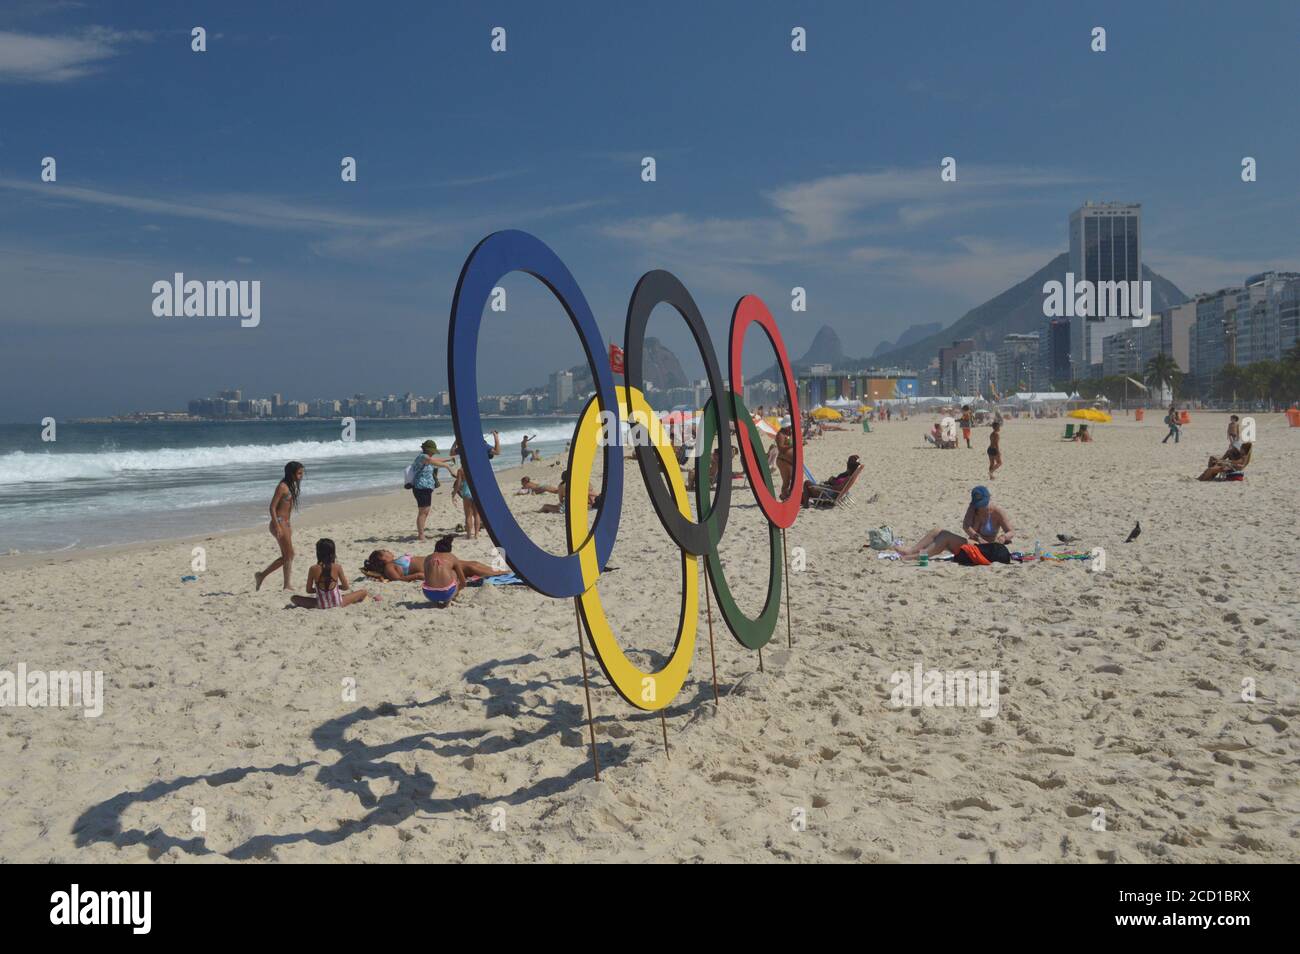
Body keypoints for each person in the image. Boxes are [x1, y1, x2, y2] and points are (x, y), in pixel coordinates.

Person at [891, 485, 1014, 560]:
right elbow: (966, 526)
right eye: (978, 505)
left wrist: (1003, 537)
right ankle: (911, 550)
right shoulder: (973, 508)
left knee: (945, 536)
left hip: (987, 548)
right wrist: (977, 536)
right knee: (937, 531)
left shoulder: (997, 512)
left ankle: (918, 557)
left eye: (982, 504)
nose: (980, 507)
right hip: (974, 543)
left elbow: (1011, 531)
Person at [421, 534, 509, 606]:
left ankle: (439, 599)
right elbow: (463, 583)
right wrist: (456, 591)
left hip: (428, 594)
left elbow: (426, 578)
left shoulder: (428, 558)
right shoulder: (452, 557)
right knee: (453, 573)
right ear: (449, 550)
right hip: (446, 593)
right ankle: (448, 601)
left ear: (435, 549)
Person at [256, 461, 303, 591]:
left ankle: (263, 576)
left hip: (285, 523)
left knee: (288, 555)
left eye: (302, 473)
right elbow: (272, 507)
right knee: (290, 554)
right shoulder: (282, 487)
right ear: (291, 473)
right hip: (279, 522)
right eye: (299, 473)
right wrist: (277, 526)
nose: (301, 476)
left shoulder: (290, 485)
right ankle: (285, 584)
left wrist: (288, 525)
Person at [290, 538, 368, 608]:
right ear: (333, 553)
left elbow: (309, 590)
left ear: (318, 553)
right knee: (363, 592)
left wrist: (321, 590)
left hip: (321, 604)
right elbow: (345, 587)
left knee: (294, 598)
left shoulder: (313, 568)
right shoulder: (337, 567)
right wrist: (335, 588)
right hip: (338, 603)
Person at [411, 440, 455, 543]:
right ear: (427, 449)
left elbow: (436, 460)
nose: (433, 453)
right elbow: (433, 461)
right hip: (420, 487)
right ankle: (421, 535)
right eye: (432, 451)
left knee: (425, 511)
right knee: (423, 511)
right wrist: (448, 466)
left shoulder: (427, 458)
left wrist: (449, 459)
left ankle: (421, 534)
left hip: (427, 488)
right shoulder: (422, 457)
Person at [452, 465, 482, 539]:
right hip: (476, 492)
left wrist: (454, 493)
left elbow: (458, 484)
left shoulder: (461, 470)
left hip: (466, 493)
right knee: (477, 514)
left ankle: (469, 535)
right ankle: (476, 534)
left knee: (468, 515)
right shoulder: (476, 467)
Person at [775, 422, 795, 499]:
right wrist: (792, 445)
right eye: (789, 426)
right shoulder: (781, 435)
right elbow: (781, 448)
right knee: (787, 481)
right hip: (783, 461)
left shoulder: (789, 433)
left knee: (791, 479)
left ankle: (786, 496)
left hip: (789, 461)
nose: (790, 427)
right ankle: (784, 496)